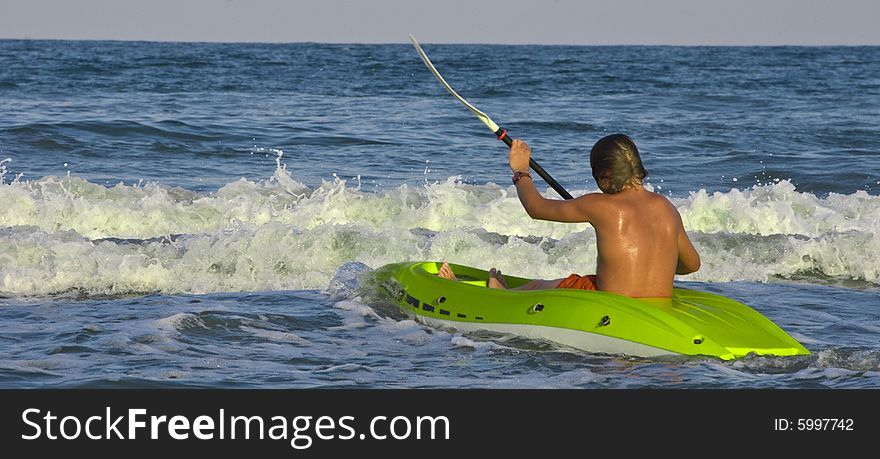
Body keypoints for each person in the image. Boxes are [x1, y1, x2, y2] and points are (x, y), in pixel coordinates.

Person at [437, 134, 701, 298]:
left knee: (541, 286)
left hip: (610, 301)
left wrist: (521, 172)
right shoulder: (667, 208)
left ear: (606, 177)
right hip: (657, 303)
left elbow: (536, 207)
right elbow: (691, 265)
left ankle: (497, 296)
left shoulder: (601, 205)